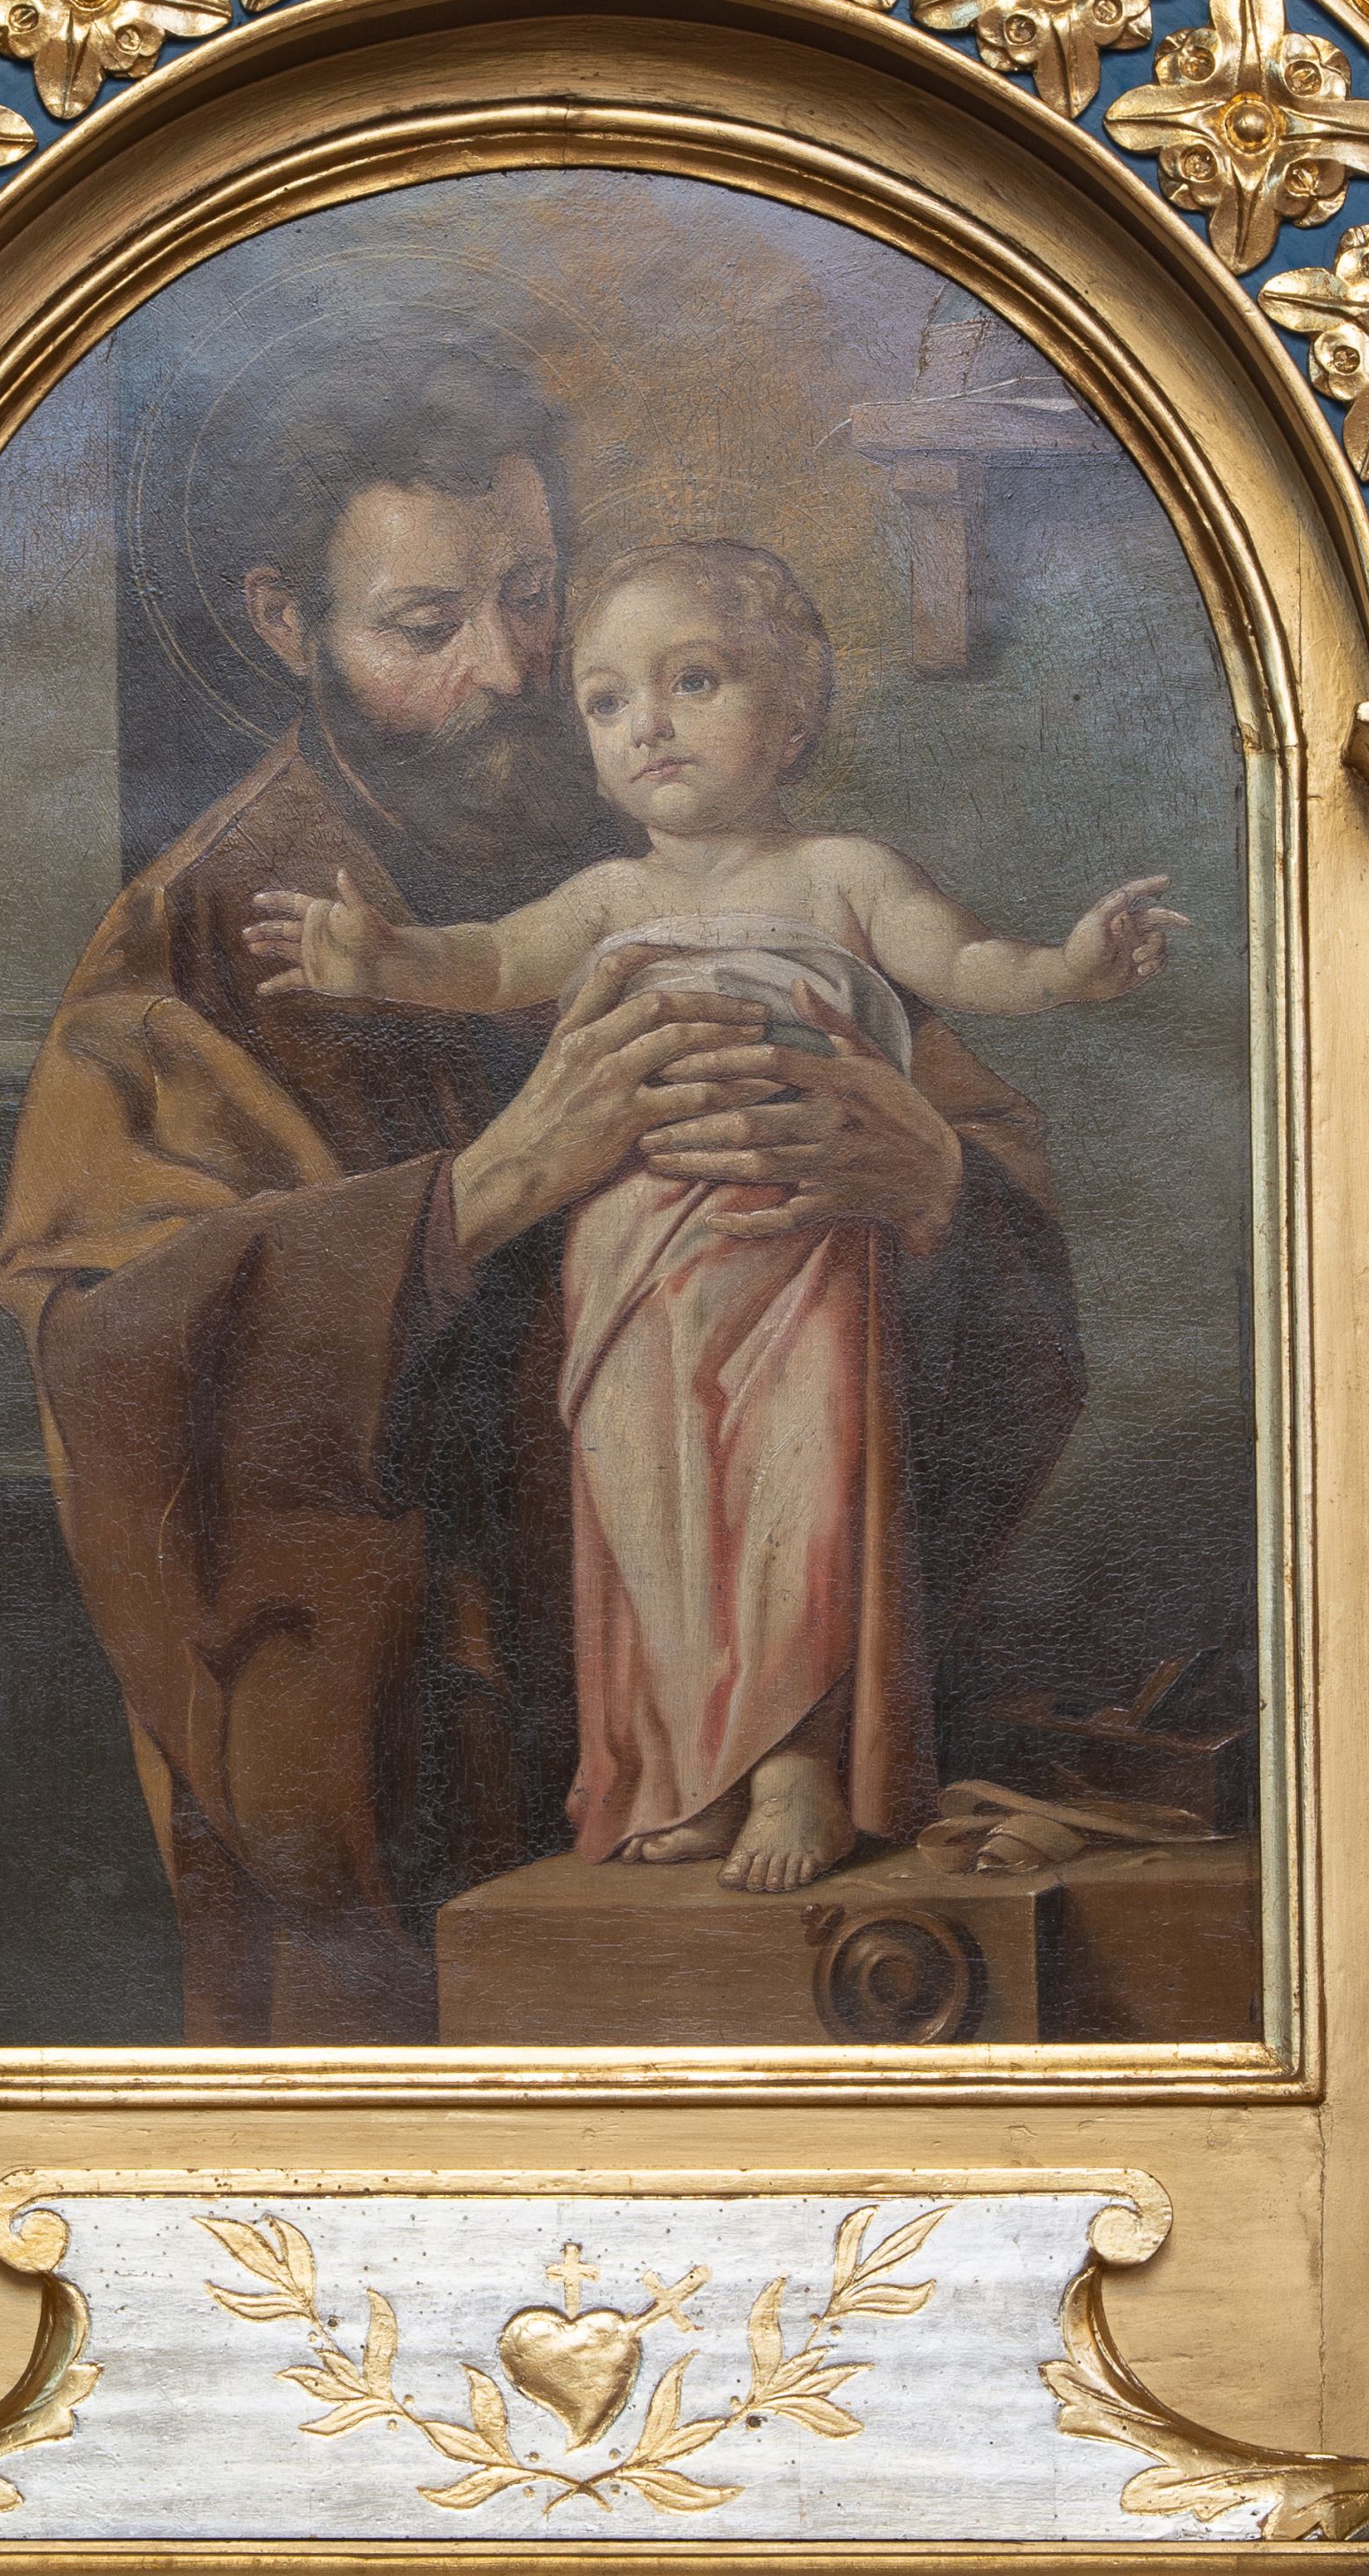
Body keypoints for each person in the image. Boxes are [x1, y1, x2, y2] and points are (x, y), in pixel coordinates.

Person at [0, 345, 1087, 2045]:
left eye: (530, 597)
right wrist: (490, 1187)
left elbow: (980, 1156)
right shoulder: (202, 936)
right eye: (427, 627)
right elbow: (107, 1353)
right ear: (287, 625)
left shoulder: (701, 832)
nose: (510, 670)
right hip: (424, 1749)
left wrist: (932, 1178)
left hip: (767, 1591)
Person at [248, 539, 1176, 1891]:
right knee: (645, 1497)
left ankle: (794, 1764)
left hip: (801, 1242)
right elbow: (489, 962)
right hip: (632, 1257)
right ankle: (690, 1768)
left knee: (801, 1483)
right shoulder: (608, 899)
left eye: (694, 681)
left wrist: (1074, 970)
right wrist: (378, 958)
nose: (650, 725)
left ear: (794, 716)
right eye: (609, 701)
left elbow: (975, 963)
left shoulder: (842, 873)